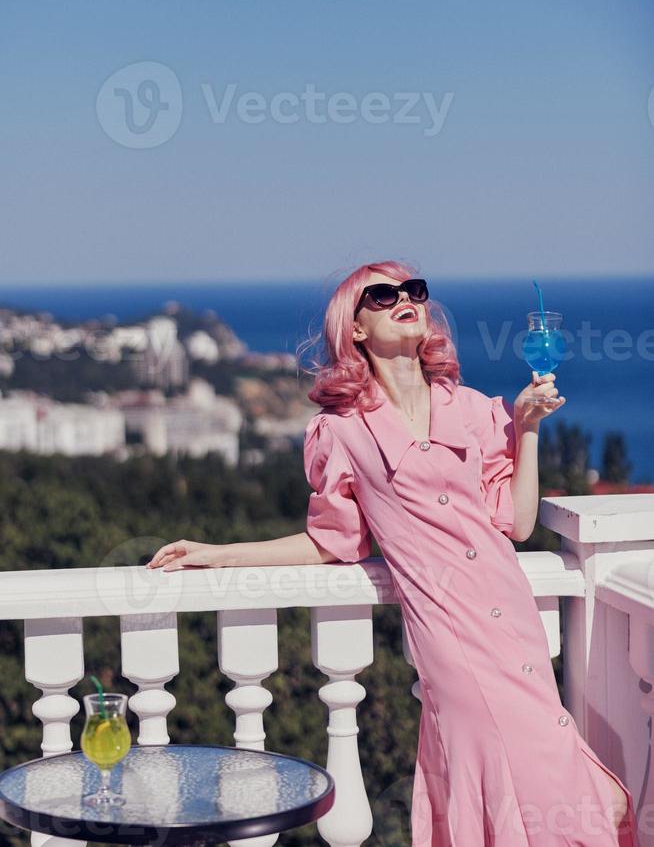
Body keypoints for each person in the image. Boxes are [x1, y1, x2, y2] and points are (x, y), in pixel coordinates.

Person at [146, 260, 639, 846]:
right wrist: (219, 554)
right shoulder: (344, 431)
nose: (405, 299)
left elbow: (517, 521)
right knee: (573, 803)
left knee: (575, 801)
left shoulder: (475, 409)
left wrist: (527, 427)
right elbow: (332, 542)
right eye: (381, 296)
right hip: (454, 642)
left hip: (516, 628)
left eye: (414, 291)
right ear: (354, 329)